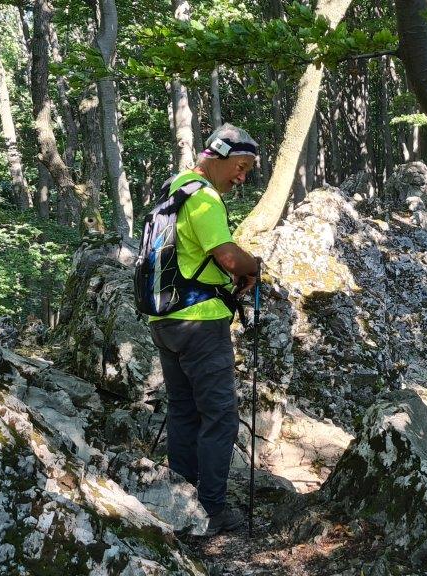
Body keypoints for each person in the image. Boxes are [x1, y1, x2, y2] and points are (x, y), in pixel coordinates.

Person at [147, 123, 261, 535]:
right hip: (199, 322)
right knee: (219, 416)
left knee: (182, 409)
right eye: (241, 166)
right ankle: (211, 510)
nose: (242, 177)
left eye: (247, 171)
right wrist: (255, 267)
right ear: (219, 155)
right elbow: (228, 256)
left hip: (165, 317)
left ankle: (180, 501)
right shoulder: (206, 198)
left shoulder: (175, 187)